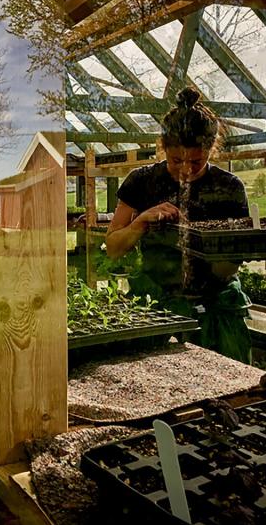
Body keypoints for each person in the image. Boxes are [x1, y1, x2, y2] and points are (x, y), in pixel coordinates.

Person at [105, 87, 252, 362]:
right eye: (176, 161)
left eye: (196, 161)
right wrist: (141, 221)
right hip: (155, 305)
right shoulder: (141, 181)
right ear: (162, 147)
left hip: (217, 309)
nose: (185, 168)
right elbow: (113, 247)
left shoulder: (228, 187)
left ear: (211, 148)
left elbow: (227, 267)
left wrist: (215, 246)